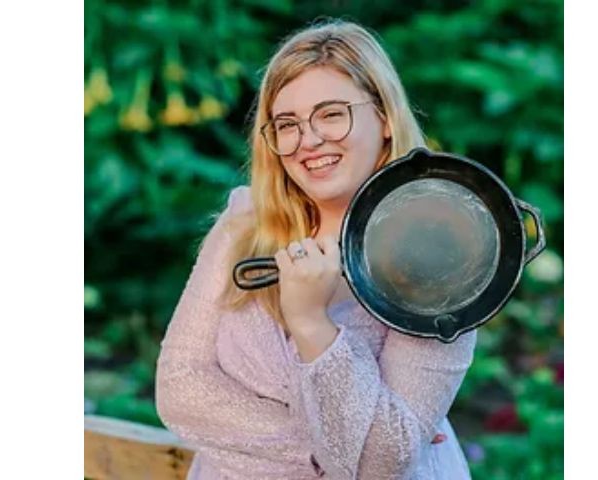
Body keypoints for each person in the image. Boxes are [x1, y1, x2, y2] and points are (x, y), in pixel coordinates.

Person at [155, 19, 477, 480]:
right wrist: (330, 450)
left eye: (331, 114)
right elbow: (180, 387)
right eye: (287, 124)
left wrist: (312, 323)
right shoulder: (244, 227)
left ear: (384, 117)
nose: (308, 141)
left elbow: (381, 466)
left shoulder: (446, 263)